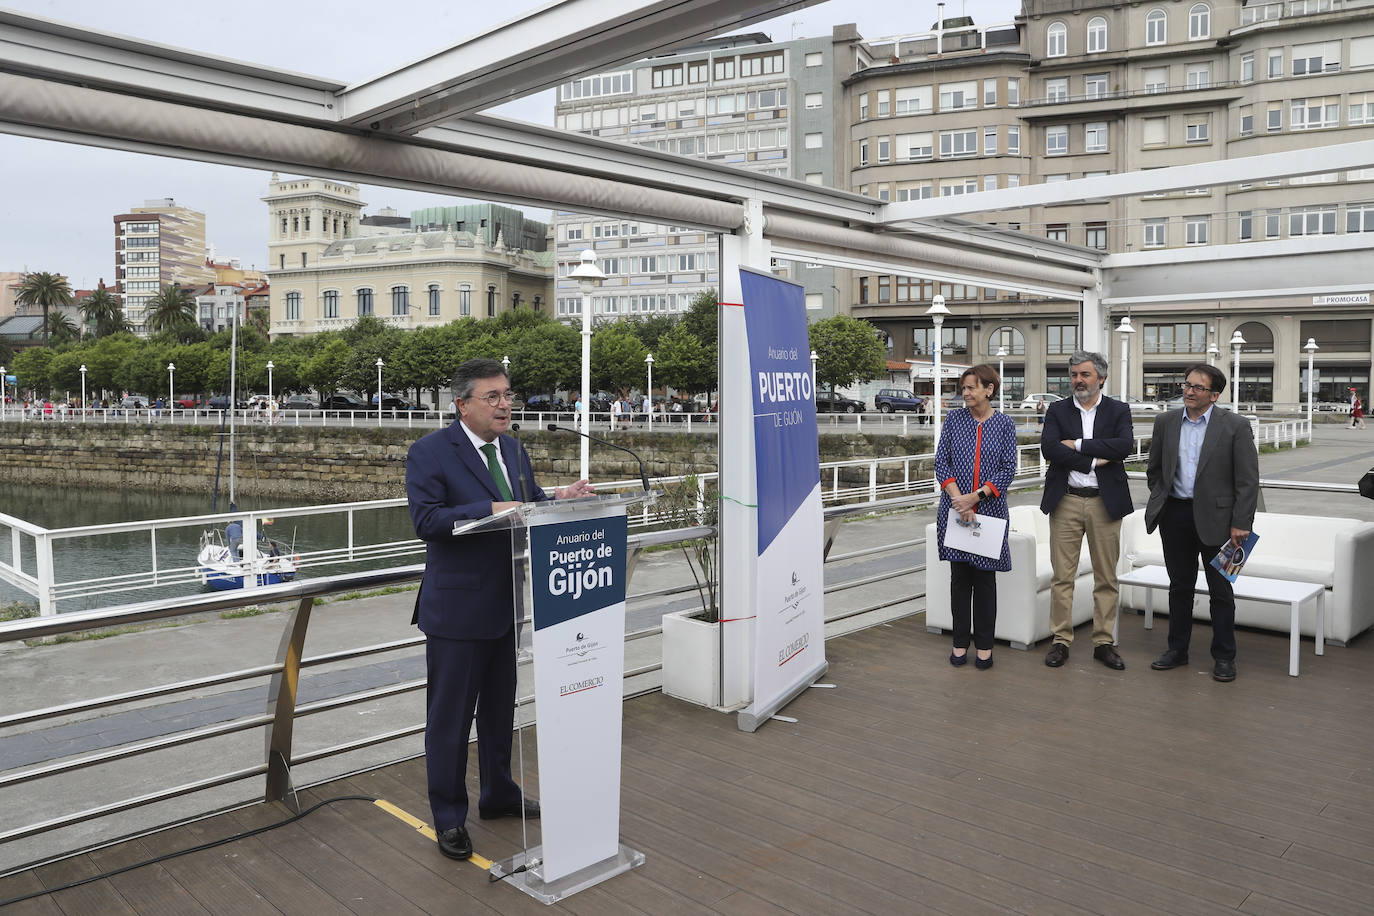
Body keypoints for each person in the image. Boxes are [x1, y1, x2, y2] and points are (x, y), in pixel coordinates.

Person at [406, 357, 594, 861]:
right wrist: (487, 510)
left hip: (509, 605)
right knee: (449, 722)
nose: (505, 404)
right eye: (493, 397)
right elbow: (427, 520)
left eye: (508, 395)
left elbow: (525, 501)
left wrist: (560, 496)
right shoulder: (429, 453)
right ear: (462, 404)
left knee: (498, 712)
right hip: (457, 613)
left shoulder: (512, 448)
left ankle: (499, 794)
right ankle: (449, 817)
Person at [1144, 364, 1259, 683]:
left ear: (1215, 395)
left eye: (1197, 387)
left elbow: (1248, 481)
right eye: (1187, 385)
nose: (1189, 391)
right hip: (1175, 516)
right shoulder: (1165, 422)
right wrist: (1161, 498)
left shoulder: (1235, 425)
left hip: (1223, 524)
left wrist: (1241, 523)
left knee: (1221, 591)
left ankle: (1224, 657)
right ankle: (1176, 651)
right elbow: (1154, 469)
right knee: (1179, 587)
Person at [1039, 352, 1135, 671]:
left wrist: (1078, 445)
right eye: (1074, 374)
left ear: (1101, 378)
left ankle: (1103, 642)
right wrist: (1094, 459)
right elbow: (1049, 448)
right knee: (1062, 576)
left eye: (1085, 375)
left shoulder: (1118, 410)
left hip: (1104, 501)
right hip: (1065, 499)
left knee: (1106, 576)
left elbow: (1123, 447)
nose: (1078, 380)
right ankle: (1061, 641)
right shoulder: (1057, 409)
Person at [934, 364, 1019, 670]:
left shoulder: (1005, 425)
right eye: (964, 387)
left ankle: (984, 646)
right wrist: (960, 499)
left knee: (984, 581)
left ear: (989, 389)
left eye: (971, 387)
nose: (965, 393)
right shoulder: (954, 420)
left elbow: (1008, 469)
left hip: (990, 511)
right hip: (956, 510)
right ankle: (959, 643)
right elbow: (941, 462)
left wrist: (976, 497)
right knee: (959, 580)